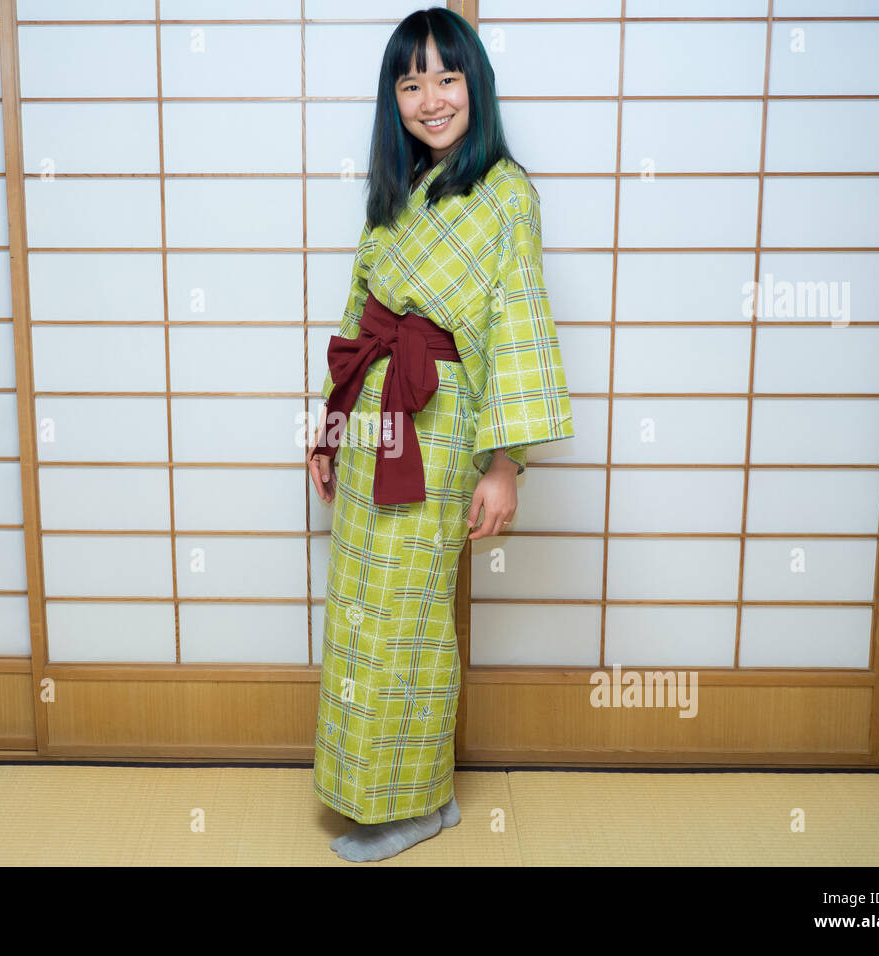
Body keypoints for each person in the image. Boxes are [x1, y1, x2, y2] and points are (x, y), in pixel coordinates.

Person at [305, 7, 574, 863]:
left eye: (446, 78)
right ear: (395, 99)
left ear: (474, 87)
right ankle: (396, 792)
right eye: (410, 81)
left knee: (406, 613)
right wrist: (327, 425)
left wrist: (506, 466)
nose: (429, 98)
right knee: (362, 606)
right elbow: (358, 314)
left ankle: (412, 804)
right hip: (372, 417)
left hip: (439, 419)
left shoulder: (505, 194)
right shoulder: (397, 193)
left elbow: (519, 326)